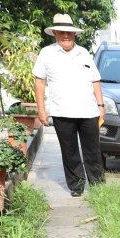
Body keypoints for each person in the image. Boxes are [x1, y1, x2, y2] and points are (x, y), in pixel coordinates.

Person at [34, 13, 105, 197]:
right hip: (62, 111)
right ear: (55, 33)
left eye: (69, 32)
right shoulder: (46, 53)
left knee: (93, 151)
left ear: (74, 34)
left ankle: (98, 186)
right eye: (61, 32)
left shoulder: (84, 53)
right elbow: (39, 82)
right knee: (70, 151)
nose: (66, 35)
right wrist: (41, 110)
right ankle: (77, 186)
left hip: (89, 111)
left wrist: (101, 105)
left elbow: (95, 81)